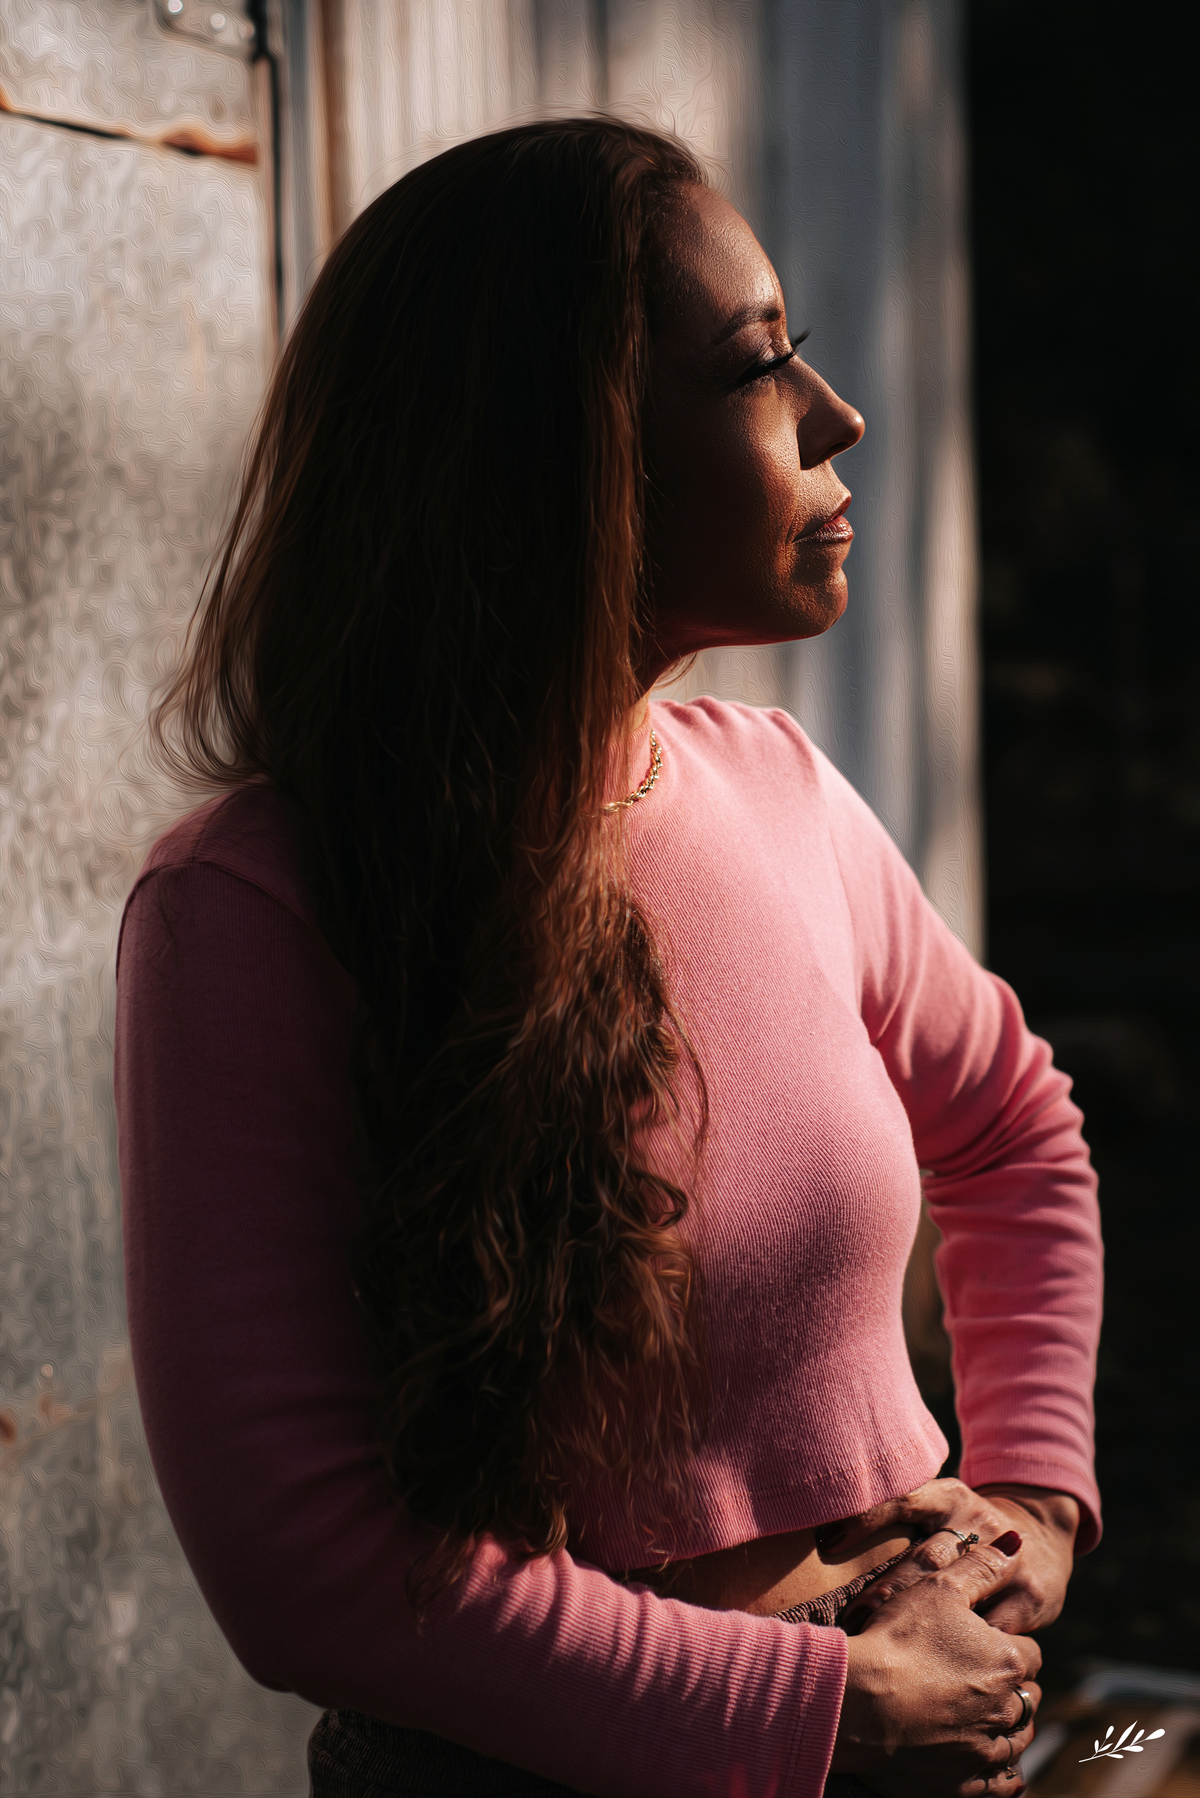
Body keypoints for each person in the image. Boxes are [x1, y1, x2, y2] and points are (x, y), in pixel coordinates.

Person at [114, 119, 1102, 1798]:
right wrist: (815, 1706)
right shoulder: (257, 908)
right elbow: (305, 1562)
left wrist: (1033, 1495)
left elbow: (1015, 1127)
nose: (838, 415)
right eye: (760, 365)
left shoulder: (779, 793)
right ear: (566, 455)